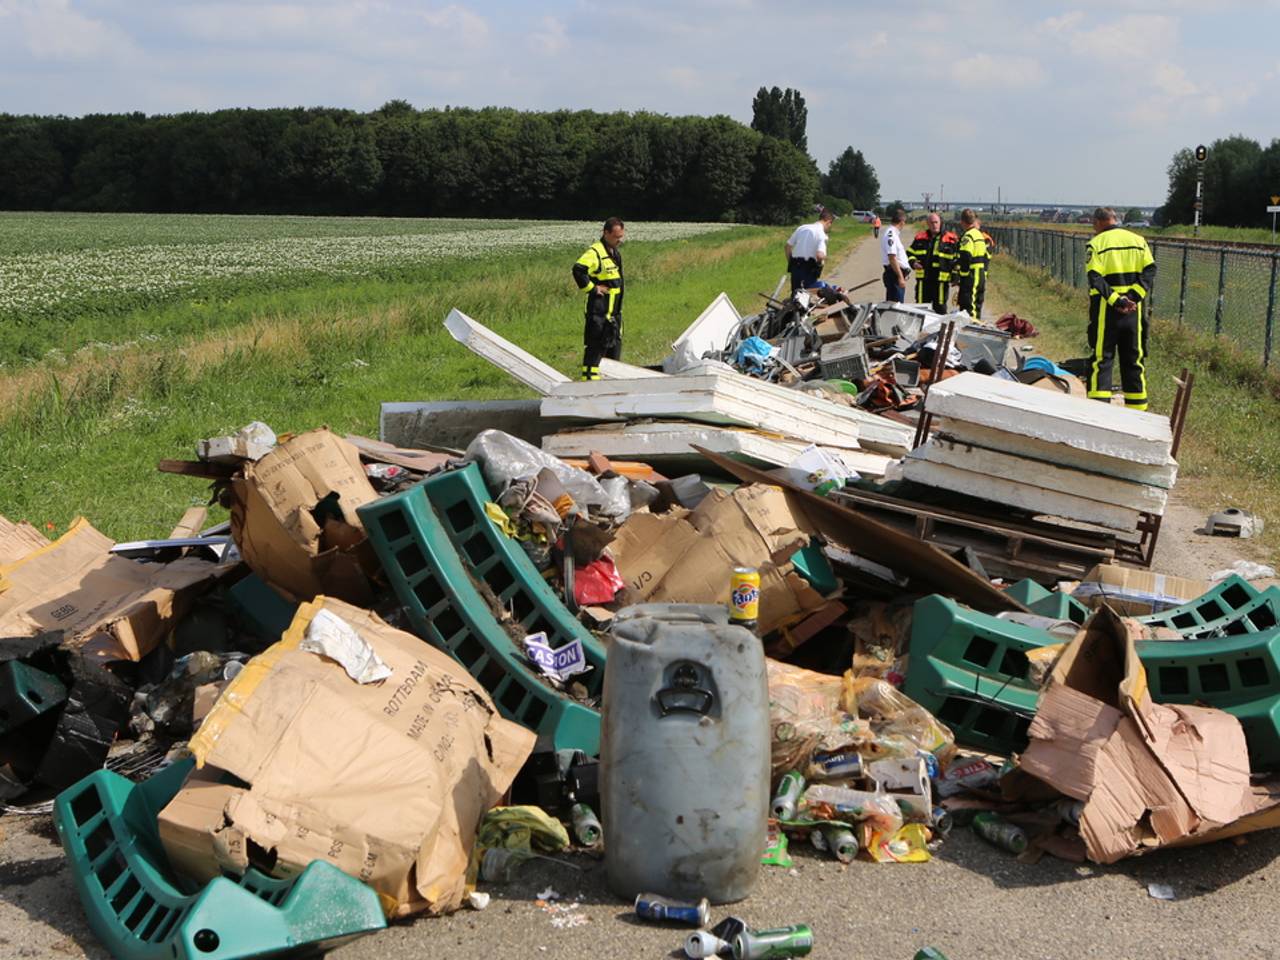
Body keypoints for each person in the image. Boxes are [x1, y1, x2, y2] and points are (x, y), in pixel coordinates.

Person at [1084, 206, 1156, 410]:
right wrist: (1133, 297)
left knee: (1102, 359)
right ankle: (1138, 411)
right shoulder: (1138, 241)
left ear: (1098, 223)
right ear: (1115, 219)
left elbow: (1095, 278)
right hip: (1135, 312)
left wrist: (1118, 301)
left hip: (1107, 312)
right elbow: (1150, 269)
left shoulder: (1096, 244)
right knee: (1134, 360)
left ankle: (1099, 412)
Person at [573, 217, 625, 381]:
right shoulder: (595, 252)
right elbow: (578, 270)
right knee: (595, 354)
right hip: (599, 314)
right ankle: (589, 387)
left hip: (613, 316)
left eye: (621, 236)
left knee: (613, 356)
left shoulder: (614, 253)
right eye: (616, 237)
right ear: (606, 233)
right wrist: (593, 289)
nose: (619, 240)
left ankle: (609, 390)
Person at [907, 212, 959, 313]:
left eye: (936, 222)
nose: (934, 225)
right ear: (927, 224)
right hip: (923, 281)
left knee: (940, 308)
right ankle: (921, 329)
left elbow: (957, 259)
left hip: (940, 282)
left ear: (940, 222)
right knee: (921, 308)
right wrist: (913, 263)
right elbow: (909, 253)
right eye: (931, 223)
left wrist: (955, 276)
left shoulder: (951, 239)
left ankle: (940, 329)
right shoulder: (920, 238)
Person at [785, 208, 834, 293]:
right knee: (807, 297)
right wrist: (820, 263)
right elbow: (820, 255)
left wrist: (791, 263)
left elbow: (787, 247)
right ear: (828, 221)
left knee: (796, 295)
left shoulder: (802, 227)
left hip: (795, 267)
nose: (829, 227)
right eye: (830, 224)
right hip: (809, 269)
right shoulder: (821, 234)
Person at [955, 208, 990, 318]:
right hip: (980, 273)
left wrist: (962, 276)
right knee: (977, 305)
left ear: (962, 222)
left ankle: (970, 329)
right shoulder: (979, 235)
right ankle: (976, 328)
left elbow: (965, 256)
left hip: (971, 275)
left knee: (968, 306)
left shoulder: (968, 236)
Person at [879, 206, 911, 303]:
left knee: (896, 305)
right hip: (894, 275)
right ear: (901, 221)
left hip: (897, 274)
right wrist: (900, 276)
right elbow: (892, 257)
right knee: (896, 307)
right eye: (904, 222)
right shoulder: (891, 235)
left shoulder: (893, 233)